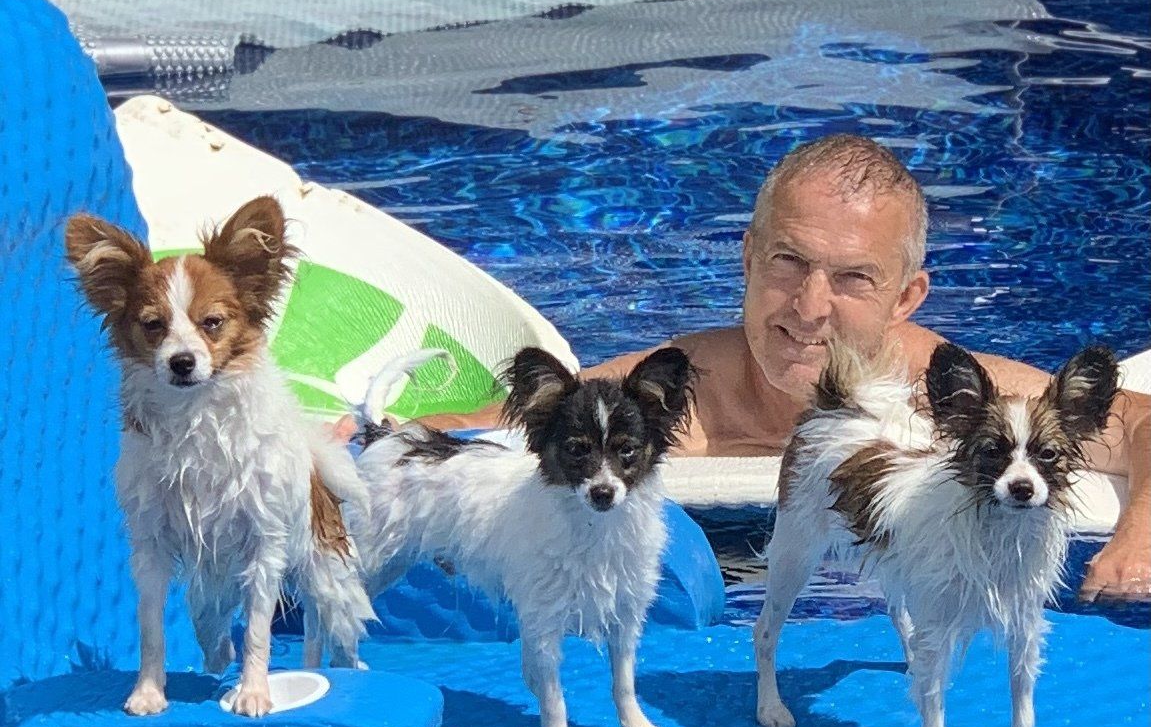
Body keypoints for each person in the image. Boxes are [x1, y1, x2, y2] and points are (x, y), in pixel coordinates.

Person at [347, 135, 1151, 601]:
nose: (806, 307)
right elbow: (461, 438)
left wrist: (1136, 537)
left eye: (851, 279)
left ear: (907, 295)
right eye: (786, 262)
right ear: (746, 255)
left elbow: (1143, 421)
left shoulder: (962, 409)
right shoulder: (657, 402)